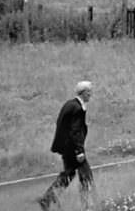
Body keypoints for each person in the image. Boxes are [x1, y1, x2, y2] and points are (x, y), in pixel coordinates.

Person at [38, 80, 95, 211]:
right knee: (86, 175)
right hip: (73, 149)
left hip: (66, 147)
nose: (90, 94)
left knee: (69, 174)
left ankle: (47, 199)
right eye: (89, 92)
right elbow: (75, 131)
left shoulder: (70, 104)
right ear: (83, 93)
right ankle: (87, 206)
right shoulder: (77, 108)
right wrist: (79, 151)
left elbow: (61, 124)